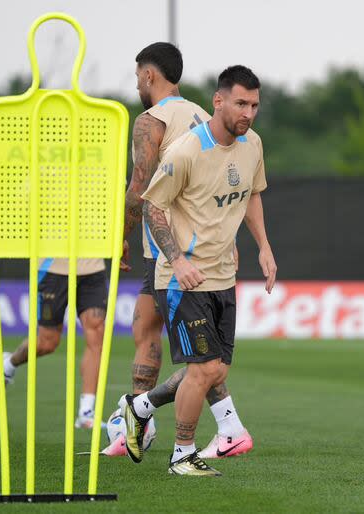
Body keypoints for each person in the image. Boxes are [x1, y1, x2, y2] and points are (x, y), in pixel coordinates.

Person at [121, 65, 277, 476]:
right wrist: (179, 260)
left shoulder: (253, 145)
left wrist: (264, 247)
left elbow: (253, 195)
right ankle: (181, 454)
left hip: (224, 274)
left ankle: (140, 406)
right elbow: (153, 207)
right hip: (183, 278)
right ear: (219, 101)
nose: (249, 113)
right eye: (241, 103)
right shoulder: (186, 150)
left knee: (216, 370)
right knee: (204, 369)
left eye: (255, 105)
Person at [0, 258, 107, 428]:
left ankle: (86, 412)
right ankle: (8, 364)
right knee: (47, 343)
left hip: (92, 265)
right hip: (53, 267)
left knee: (97, 334)